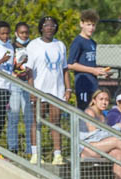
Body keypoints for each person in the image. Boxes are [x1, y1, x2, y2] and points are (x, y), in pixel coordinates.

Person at [26, 15, 69, 165]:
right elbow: (28, 70)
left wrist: (68, 88)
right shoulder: (33, 45)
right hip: (39, 89)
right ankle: (35, 154)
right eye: (46, 25)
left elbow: (65, 69)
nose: (49, 28)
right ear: (41, 28)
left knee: (55, 122)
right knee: (37, 121)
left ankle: (57, 155)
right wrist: (31, 90)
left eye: (52, 25)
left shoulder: (60, 45)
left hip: (56, 90)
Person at [66, 9, 110, 110]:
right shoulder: (78, 42)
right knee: (85, 113)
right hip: (83, 84)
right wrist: (93, 70)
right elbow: (70, 64)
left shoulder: (93, 43)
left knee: (95, 112)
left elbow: (89, 64)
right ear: (82, 24)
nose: (91, 28)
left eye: (93, 25)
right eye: (88, 24)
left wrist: (100, 71)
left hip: (93, 84)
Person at [7, 22, 35, 158]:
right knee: (13, 116)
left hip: (28, 83)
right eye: (21, 33)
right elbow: (9, 66)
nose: (24, 35)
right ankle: (12, 148)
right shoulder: (11, 47)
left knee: (29, 119)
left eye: (26, 33)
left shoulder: (33, 47)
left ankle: (30, 149)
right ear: (16, 33)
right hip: (15, 84)